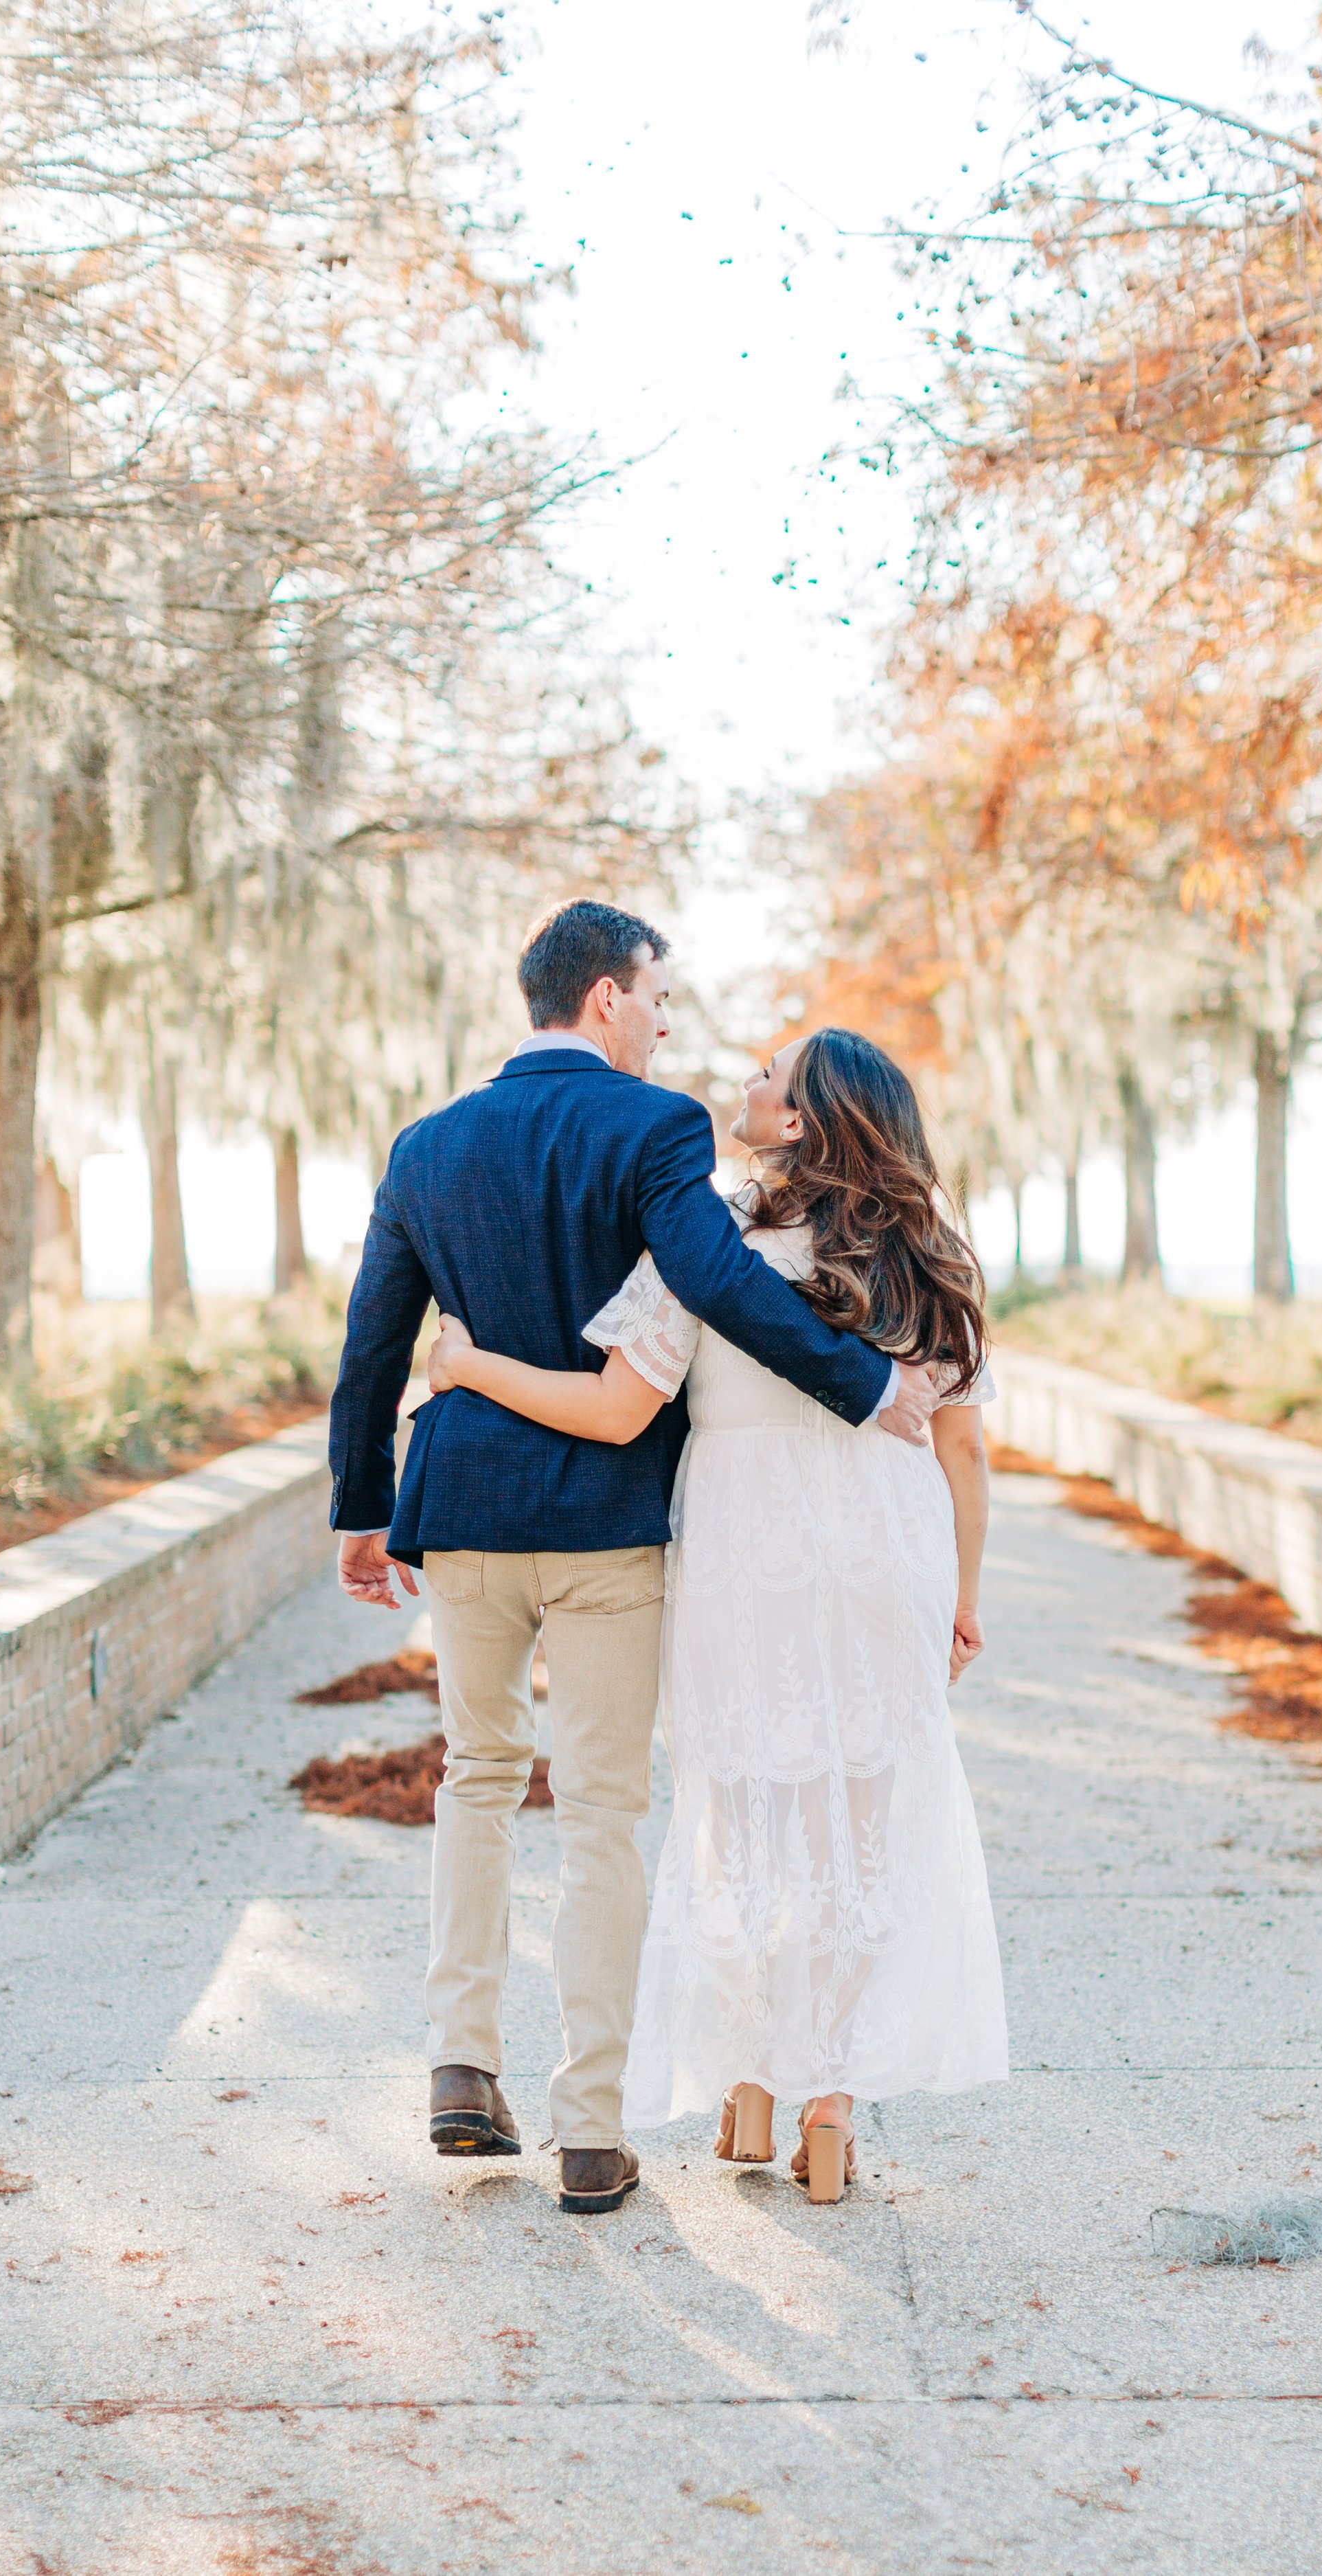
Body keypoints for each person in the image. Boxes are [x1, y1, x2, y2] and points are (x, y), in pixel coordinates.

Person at [327, 903, 938, 2219]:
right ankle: (589, 2127)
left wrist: (361, 1507)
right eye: (658, 998)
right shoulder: (653, 1129)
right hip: (604, 1521)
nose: (667, 1023)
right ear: (606, 997)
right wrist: (861, 1386)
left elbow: (377, 1340)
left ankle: (458, 2061)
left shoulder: (427, 1146)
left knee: (475, 1779)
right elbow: (719, 1281)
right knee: (602, 1810)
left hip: (469, 1509)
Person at [427, 1026, 1008, 2206]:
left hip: (746, 1558)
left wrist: (470, 1366)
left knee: (740, 1816)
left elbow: (609, 1410)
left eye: (765, 1078)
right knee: (861, 1825)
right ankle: (830, 2110)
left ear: (797, 1121)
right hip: (887, 1557)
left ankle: (748, 2080)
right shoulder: (932, 1253)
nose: (740, 1087)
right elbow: (965, 1451)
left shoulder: (706, 1241)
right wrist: (964, 1594)